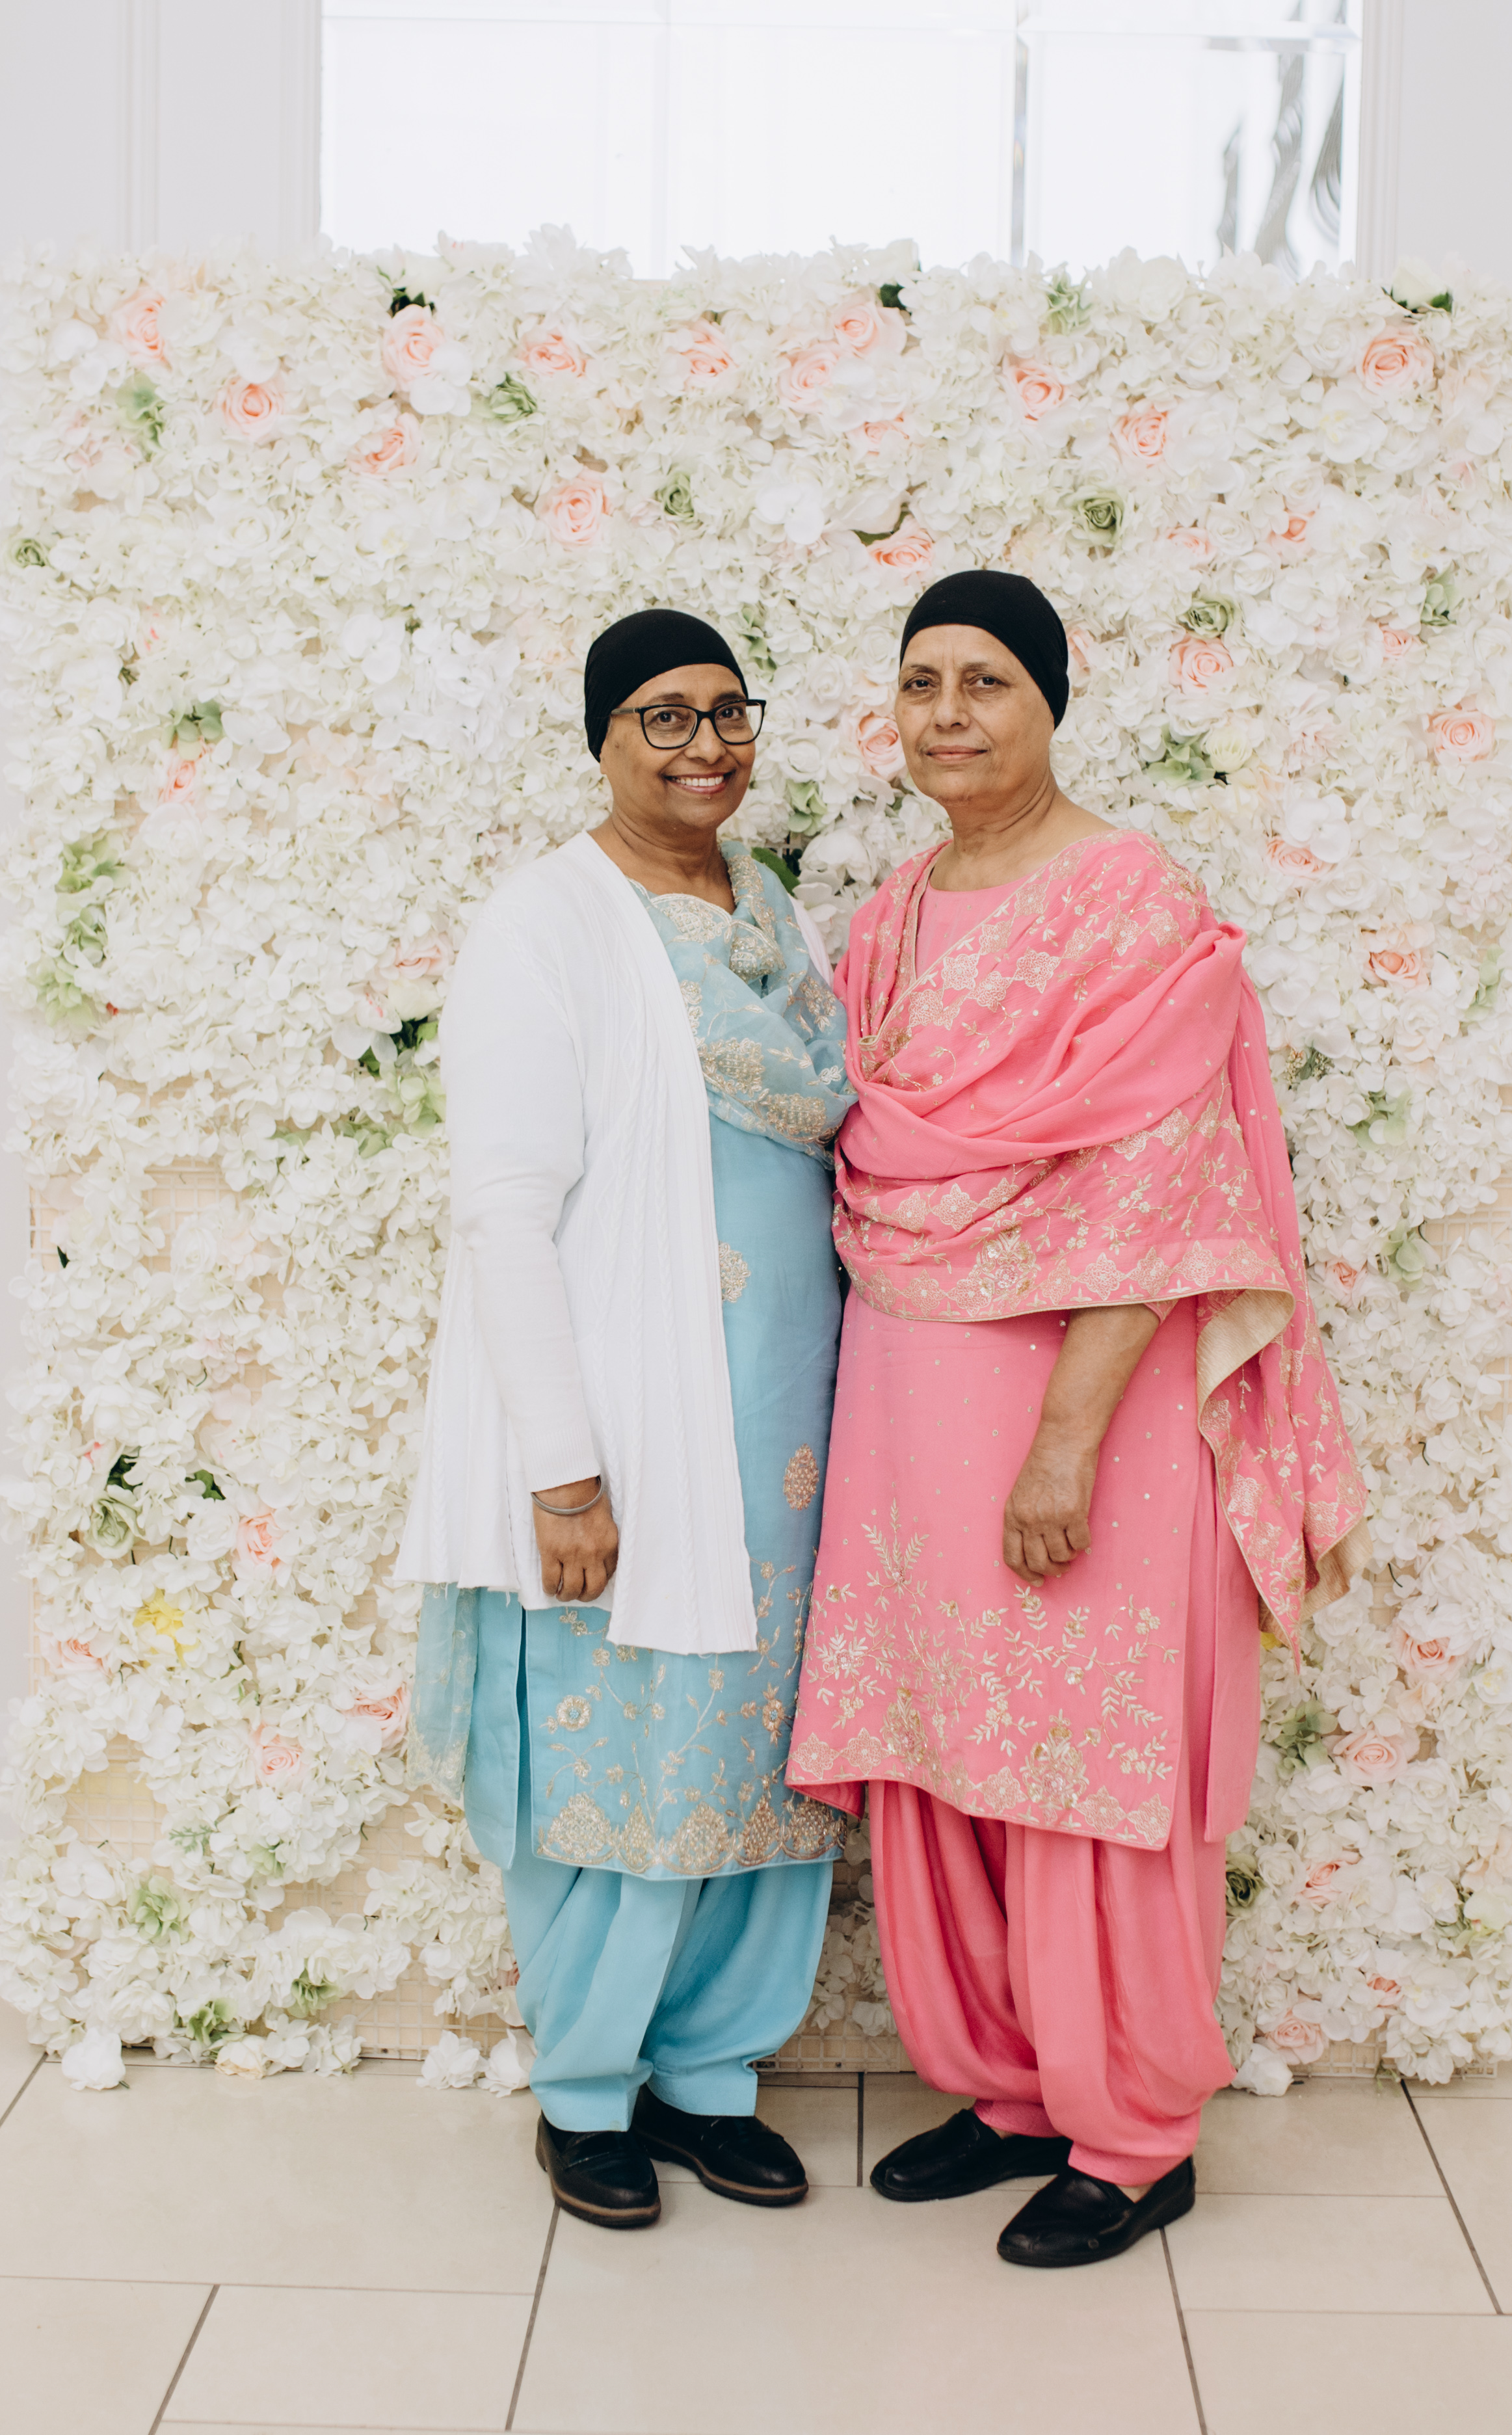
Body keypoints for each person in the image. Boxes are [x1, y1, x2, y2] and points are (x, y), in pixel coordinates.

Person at [786, 569, 1368, 2268]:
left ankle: (1133, 2133)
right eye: (922, 682)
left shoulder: (1129, 898)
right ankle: (1014, 2089)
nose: (949, 713)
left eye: (987, 681)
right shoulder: (895, 914)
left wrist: (1063, 1442)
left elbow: (1165, 1191)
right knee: (948, 1748)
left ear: (1052, 702)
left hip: (1079, 1403)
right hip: (909, 1394)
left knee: (1079, 1757)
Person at [397, 608, 855, 2229]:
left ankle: (713, 2077)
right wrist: (564, 1473)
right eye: (663, 715)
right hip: (631, 1430)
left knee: (758, 1754)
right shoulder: (546, 924)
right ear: (602, 737)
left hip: (791, 1434)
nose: (704, 745)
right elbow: (503, 1208)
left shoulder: (776, 916)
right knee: (620, 1755)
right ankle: (589, 2092)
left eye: (729, 712)